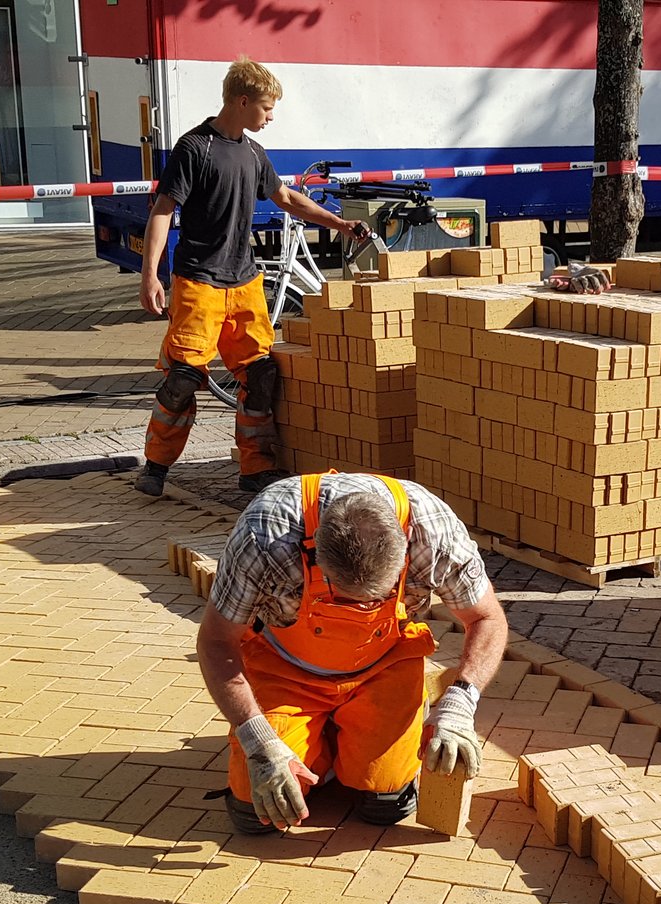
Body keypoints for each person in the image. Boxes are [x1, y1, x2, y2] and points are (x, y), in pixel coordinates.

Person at [197, 473, 508, 833]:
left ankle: (336, 742)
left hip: (384, 663)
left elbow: (487, 618)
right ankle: (324, 738)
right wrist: (257, 739)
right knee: (259, 812)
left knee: (386, 804)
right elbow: (216, 640)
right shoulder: (264, 536)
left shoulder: (434, 532)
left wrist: (459, 704)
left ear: (403, 551)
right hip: (286, 668)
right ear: (315, 554)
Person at [134, 58, 370, 499]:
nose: (271, 117)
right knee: (184, 378)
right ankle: (155, 465)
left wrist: (339, 225)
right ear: (242, 102)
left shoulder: (253, 153)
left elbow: (286, 198)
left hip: (243, 284)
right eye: (266, 108)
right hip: (198, 283)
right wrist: (151, 276)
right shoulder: (194, 149)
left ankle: (255, 469)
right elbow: (163, 211)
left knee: (261, 376)